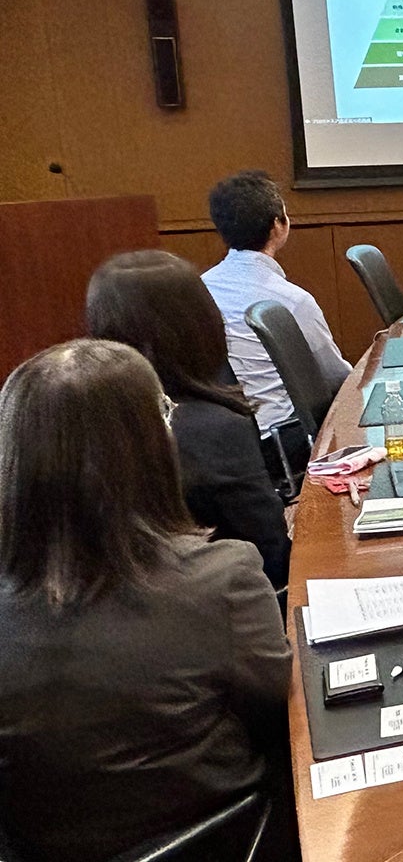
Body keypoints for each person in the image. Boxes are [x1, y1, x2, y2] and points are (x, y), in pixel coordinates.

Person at [0, 340, 292, 862]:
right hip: (233, 835)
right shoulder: (219, 580)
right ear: (147, 446)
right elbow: (282, 706)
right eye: (164, 412)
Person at [87, 250, 291, 589]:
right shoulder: (214, 427)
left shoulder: (78, 418)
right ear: (203, 324)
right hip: (222, 610)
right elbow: (273, 559)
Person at [201, 170, 352, 431]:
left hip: (223, 438)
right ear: (278, 225)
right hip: (284, 434)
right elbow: (334, 377)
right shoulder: (293, 301)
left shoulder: (197, 289)